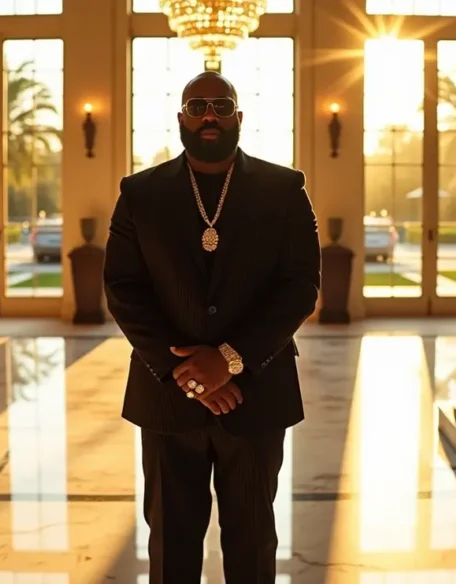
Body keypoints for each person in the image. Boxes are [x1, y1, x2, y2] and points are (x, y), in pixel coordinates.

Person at [104, 71, 321, 583]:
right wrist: (186, 373)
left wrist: (228, 359)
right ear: (180, 117)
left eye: (221, 107)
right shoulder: (139, 193)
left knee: (251, 540)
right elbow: (123, 289)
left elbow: (300, 287)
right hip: (165, 396)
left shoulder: (284, 189)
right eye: (198, 106)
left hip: (256, 392)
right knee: (171, 543)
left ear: (239, 118)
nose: (209, 116)